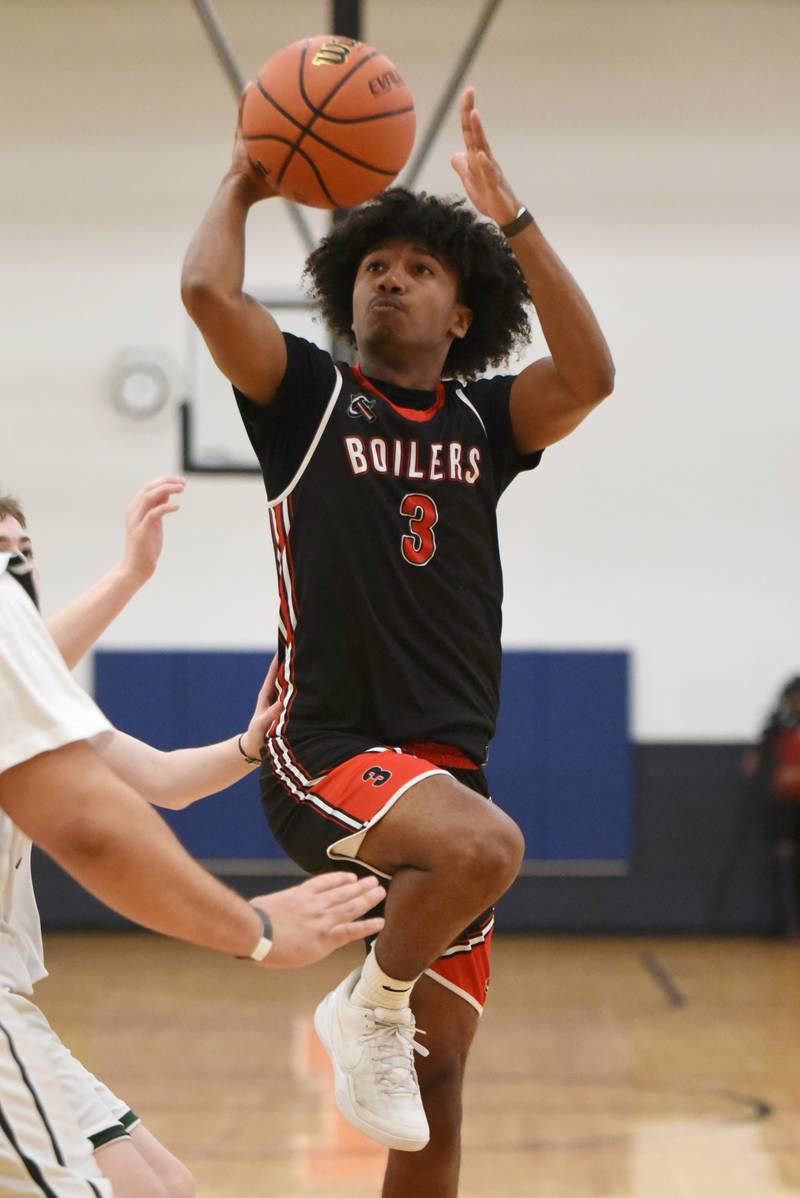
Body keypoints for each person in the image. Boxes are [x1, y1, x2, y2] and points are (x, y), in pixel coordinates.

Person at [182, 82, 614, 1197]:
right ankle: (364, 999)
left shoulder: (482, 422)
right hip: (326, 748)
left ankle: (377, 1008)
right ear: (346, 292)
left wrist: (510, 219)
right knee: (484, 850)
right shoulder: (307, 396)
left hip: (445, 774)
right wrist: (243, 172)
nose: (393, 276)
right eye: (377, 265)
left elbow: (591, 377)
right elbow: (202, 287)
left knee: (433, 1093)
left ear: (461, 315)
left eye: (422, 269)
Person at [0, 483, 386, 1197]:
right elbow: (90, 828)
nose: (16, 569)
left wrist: (249, 744)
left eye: (25, 552)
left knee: (168, 1187)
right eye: (0, 554)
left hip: (14, 1007)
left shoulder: (28, 695)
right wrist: (260, 930)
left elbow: (166, 780)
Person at [743, 676, 800, 937]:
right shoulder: (778, 721)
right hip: (783, 802)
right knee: (782, 860)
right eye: (793, 697)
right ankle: (786, 921)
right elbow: (761, 748)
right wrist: (755, 757)